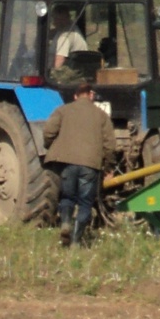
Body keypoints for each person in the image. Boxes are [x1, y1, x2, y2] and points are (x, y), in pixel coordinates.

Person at [42, 83, 116, 246]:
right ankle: (76, 241)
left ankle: (65, 223)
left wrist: (50, 146)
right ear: (91, 95)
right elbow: (110, 145)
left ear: (75, 96)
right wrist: (108, 167)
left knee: (67, 197)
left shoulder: (63, 110)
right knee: (85, 203)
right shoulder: (101, 115)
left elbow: (48, 131)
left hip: (67, 163)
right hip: (90, 165)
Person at [50, 4, 91, 70]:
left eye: (56, 19)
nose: (54, 22)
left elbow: (59, 60)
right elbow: (53, 32)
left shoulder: (65, 37)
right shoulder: (68, 27)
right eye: (54, 18)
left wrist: (52, 73)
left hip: (72, 71)